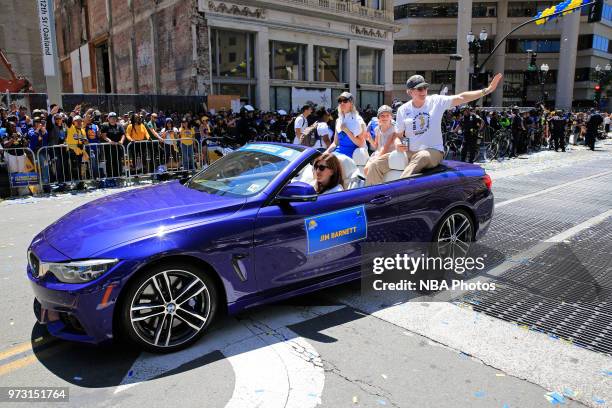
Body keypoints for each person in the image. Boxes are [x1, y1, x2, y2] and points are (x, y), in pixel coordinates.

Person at [365, 73, 503, 186]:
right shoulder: (403, 110)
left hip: (433, 151)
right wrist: (398, 144)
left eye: (425, 88)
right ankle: (371, 203)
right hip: (410, 152)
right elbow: (398, 135)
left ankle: (398, 193)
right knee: (375, 165)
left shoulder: (436, 101)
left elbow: (461, 97)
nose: (423, 91)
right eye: (419, 89)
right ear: (410, 92)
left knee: (421, 156)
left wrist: (487, 90)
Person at [325, 92, 367, 158]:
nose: (342, 103)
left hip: (353, 156)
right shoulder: (338, 120)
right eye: (340, 101)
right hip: (339, 153)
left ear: (351, 103)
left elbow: (361, 143)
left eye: (345, 101)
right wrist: (326, 152)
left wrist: (347, 131)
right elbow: (335, 143)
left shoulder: (358, 120)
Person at [100, 112, 126, 178]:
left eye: (114, 118)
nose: (113, 119)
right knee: (109, 162)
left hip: (118, 147)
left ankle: (119, 176)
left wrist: (121, 141)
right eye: (111, 118)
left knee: (119, 161)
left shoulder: (119, 125)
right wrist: (109, 141)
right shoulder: (105, 125)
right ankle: (110, 177)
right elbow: (103, 135)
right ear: (108, 119)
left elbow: (123, 134)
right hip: (109, 148)